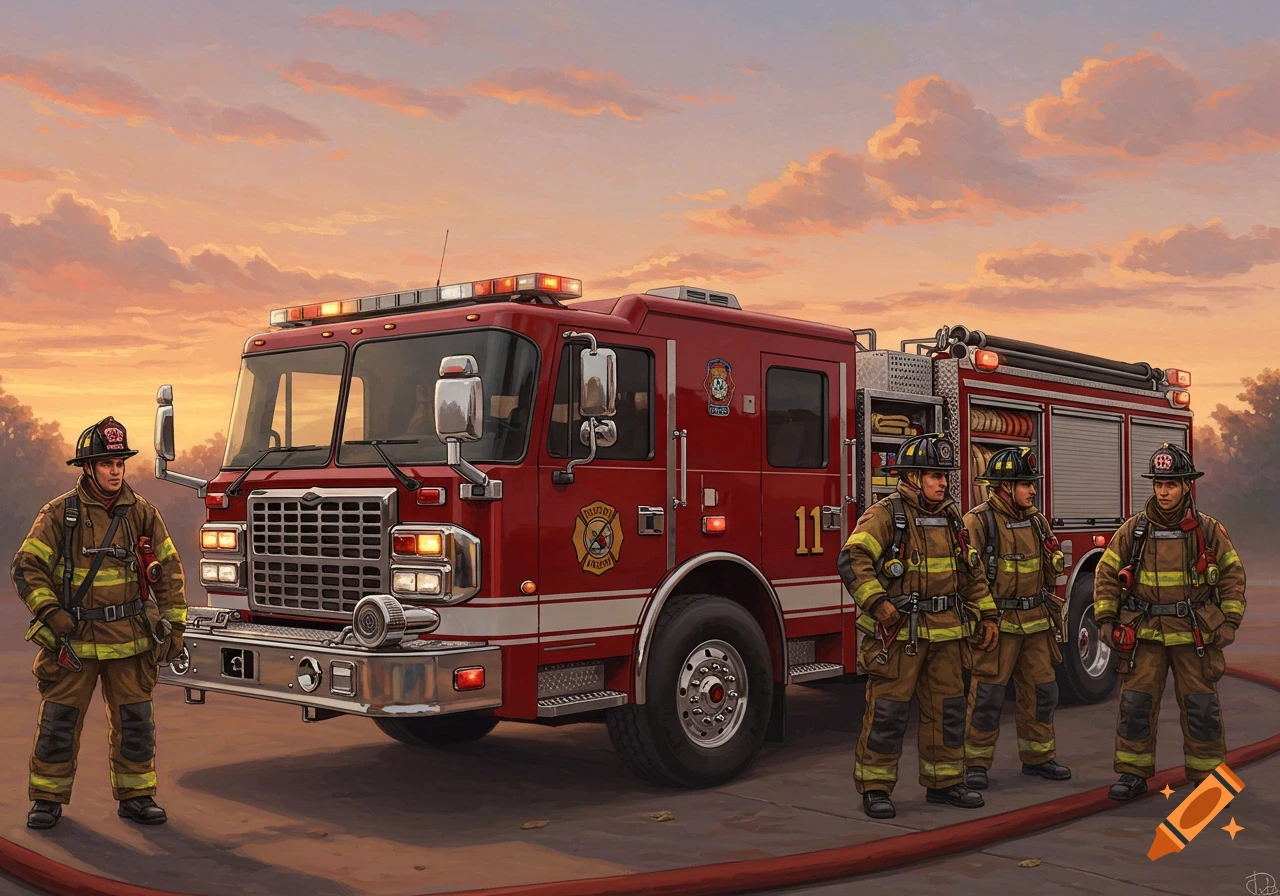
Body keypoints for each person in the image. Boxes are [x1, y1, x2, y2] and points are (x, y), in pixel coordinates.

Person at [11, 417, 188, 829]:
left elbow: (169, 572)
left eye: (120, 463)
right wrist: (51, 613)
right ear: (88, 468)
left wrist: (175, 626)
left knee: (135, 724)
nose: (115, 471)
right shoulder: (60, 514)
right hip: (73, 641)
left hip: (130, 640)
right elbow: (27, 566)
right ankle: (47, 799)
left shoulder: (142, 513)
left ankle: (137, 796)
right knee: (59, 723)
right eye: (107, 463)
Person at [837, 433, 1000, 819]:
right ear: (912, 477)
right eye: (934, 475)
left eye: (944, 475)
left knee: (948, 711)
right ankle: (875, 787)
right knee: (888, 713)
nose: (943, 482)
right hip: (899, 636)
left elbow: (971, 572)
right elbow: (852, 558)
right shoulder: (885, 514)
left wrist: (989, 615)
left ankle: (945, 782)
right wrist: (878, 603)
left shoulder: (951, 516)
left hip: (946, 634)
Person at [1094, 443, 1245, 801]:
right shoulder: (1134, 530)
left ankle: (1208, 779)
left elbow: (1231, 574)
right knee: (1135, 705)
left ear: (1187, 486)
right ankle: (1132, 773)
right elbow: (1107, 572)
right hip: (1145, 634)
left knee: (1202, 709)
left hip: (1194, 635)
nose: (1163, 492)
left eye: (1171, 484)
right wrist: (1106, 617)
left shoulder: (1208, 529)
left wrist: (1229, 621)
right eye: (1159, 484)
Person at [962, 447, 1072, 790]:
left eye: (1032, 484)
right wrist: (984, 617)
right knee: (988, 697)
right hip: (997, 625)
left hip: (1036, 623)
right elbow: (968, 577)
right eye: (1026, 484)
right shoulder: (978, 522)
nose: (1033, 490)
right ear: (1005, 487)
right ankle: (975, 764)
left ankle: (1039, 758)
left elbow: (1050, 570)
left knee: (1043, 691)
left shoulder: (1037, 521)